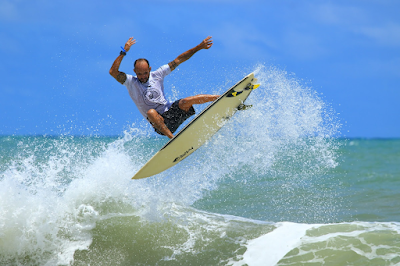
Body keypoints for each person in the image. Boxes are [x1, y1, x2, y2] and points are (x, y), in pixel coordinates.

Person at [109, 36, 219, 139]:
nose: (143, 76)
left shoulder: (158, 74)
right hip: (160, 125)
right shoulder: (131, 82)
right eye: (139, 74)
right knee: (151, 112)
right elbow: (113, 72)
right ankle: (173, 139)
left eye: (145, 73)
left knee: (186, 101)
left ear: (150, 69)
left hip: (173, 113)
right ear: (134, 72)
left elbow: (179, 59)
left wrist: (199, 47)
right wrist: (123, 52)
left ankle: (220, 97)